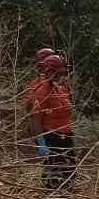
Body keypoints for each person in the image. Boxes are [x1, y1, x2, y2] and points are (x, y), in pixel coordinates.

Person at [24, 53, 76, 190]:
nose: (59, 77)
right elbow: (35, 118)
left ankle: (66, 195)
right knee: (54, 169)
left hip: (66, 134)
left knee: (70, 168)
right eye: (56, 74)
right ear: (48, 72)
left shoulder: (62, 89)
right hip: (52, 135)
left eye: (60, 74)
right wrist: (40, 142)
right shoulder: (41, 92)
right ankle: (52, 194)